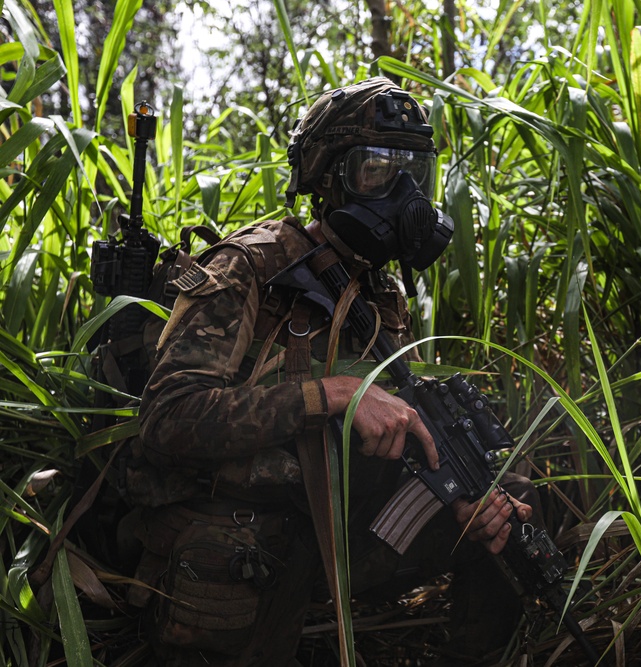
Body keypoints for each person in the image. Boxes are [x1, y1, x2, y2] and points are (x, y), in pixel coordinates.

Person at [126, 77, 539, 666]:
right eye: (376, 169)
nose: (401, 193)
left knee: (510, 508)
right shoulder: (252, 266)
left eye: (412, 171)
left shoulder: (379, 293)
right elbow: (168, 417)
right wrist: (333, 394)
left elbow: (405, 433)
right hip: (250, 535)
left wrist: (459, 499)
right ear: (328, 178)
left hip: (338, 532)